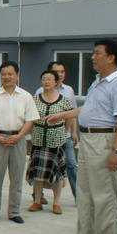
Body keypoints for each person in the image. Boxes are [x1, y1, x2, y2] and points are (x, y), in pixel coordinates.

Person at [50, 39, 117, 234]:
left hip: (104, 141)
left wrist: (116, 151)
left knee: (104, 194)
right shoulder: (98, 82)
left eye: (97, 53)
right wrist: (62, 115)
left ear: (111, 57)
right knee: (85, 193)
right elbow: (87, 108)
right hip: (88, 140)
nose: (93, 57)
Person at [0, 61, 39, 224]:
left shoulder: (26, 96)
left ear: (17, 75)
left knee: (16, 178)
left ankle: (14, 211)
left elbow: (30, 120)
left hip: (18, 140)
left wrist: (19, 136)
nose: (6, 77)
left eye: (10, 74)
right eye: (3, 74)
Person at [26, 70, 74, 215]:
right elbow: (30, 117)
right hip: (39, 140)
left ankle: (56, 203)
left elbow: (70, 117)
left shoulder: (64, 100)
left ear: (56, 82)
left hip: (56, 141)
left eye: (50, 79)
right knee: (38, 171)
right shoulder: (35, 99)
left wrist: (63, 132)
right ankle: (37, 201)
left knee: (57, 172)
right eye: (44, 79)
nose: (46, 82)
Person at [35, 61, 79, 200]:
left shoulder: (69, 90)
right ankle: (38, 196)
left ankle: (78, 197)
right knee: (41, 165)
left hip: (65, 136)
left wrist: (73, 132)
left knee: (71, 165)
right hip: (44, 138)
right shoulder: (39, 92)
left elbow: (72, 112)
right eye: (57, 72)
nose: (60, 74)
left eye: (62, 71)